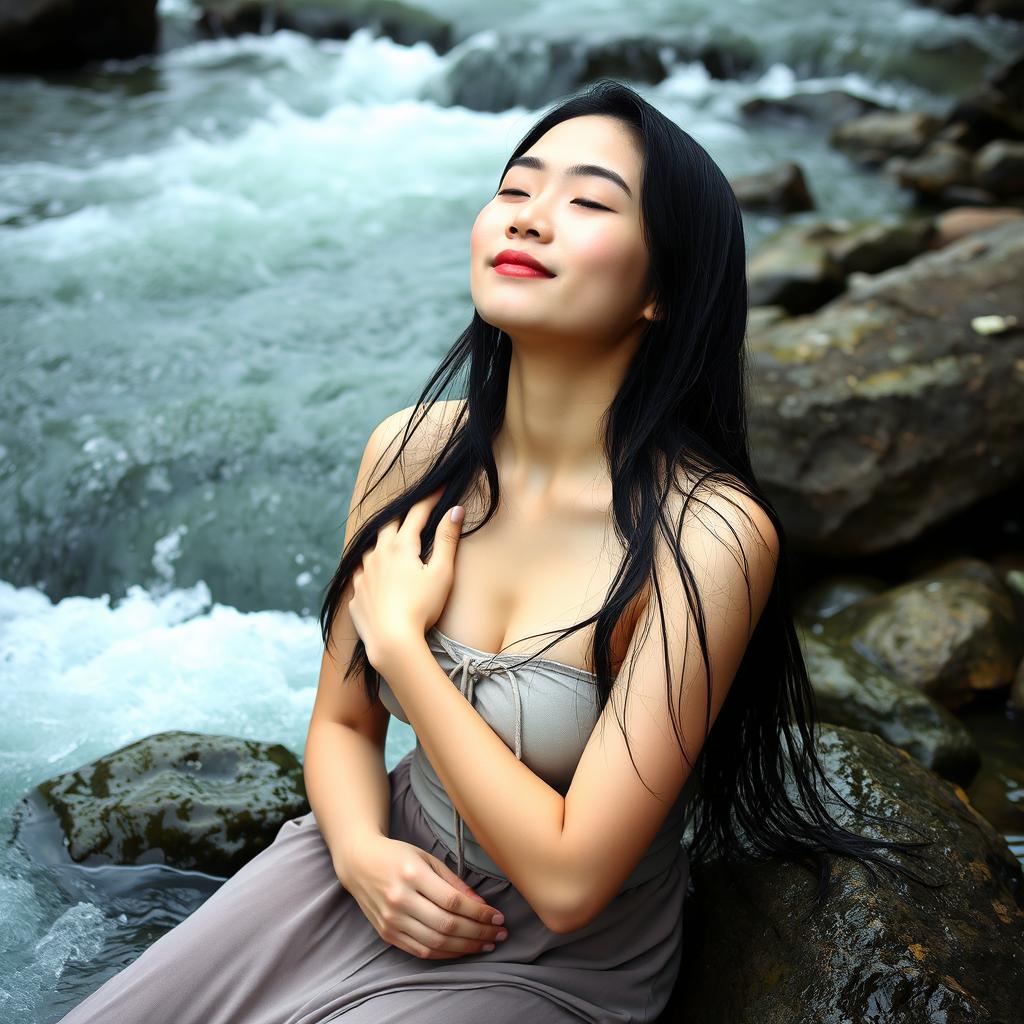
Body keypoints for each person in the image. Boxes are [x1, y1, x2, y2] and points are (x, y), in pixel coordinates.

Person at [56, 78, 938, 1024]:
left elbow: (570, 879)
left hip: (539, 956)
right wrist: (359, 854)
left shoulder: (708, 535)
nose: (530, 220)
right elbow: (346, 728)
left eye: (589, 202)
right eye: (516, 190)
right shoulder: (412, 450)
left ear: (665, 291)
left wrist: (401, 646)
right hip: (364, 867)